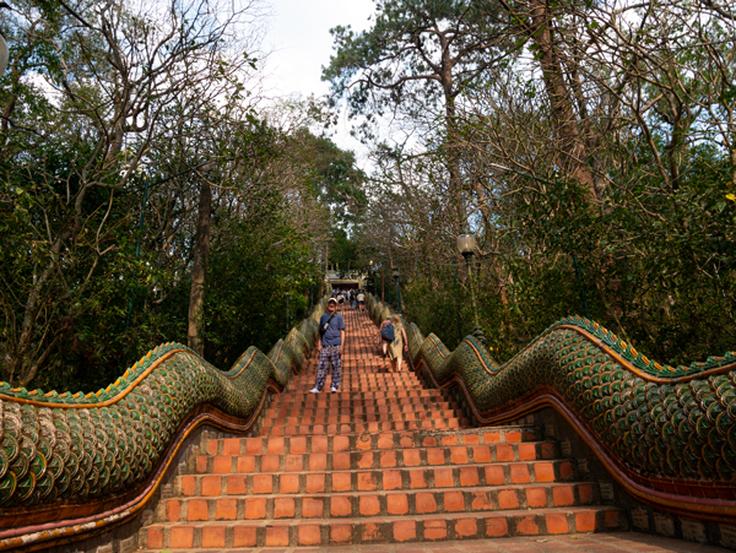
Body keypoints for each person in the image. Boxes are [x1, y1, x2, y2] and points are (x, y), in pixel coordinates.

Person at [310, 297, 346, 393]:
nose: (332, 305)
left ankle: (334, 386)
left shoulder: (339, 317)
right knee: (322, 366)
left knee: (336, 366)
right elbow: (320, 332)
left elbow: (342, 331)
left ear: (336, 306)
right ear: (327, 305)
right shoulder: (323, 317)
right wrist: (319, 344)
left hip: (336, 345)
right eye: (330, 303)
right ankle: (318, 387)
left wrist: (342, 346)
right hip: (325, 345)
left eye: (333, 303)